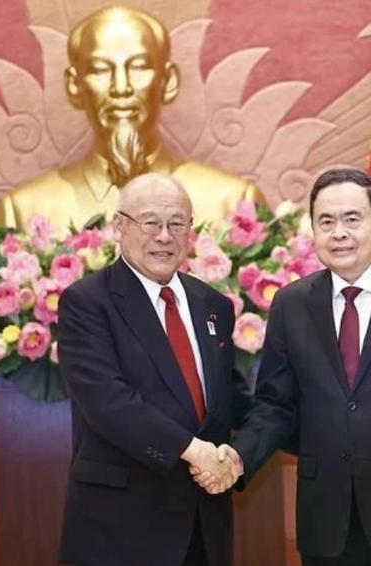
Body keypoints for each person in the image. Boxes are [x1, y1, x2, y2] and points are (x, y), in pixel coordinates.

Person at [198, 168, 371, 565]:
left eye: (351, 219)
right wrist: (240, 458)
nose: (338, 232)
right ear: (313, 231)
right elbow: (275, 404)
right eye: (326, 222)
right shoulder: (291, 304)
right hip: (325, 521)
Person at [57, 172, 247, 566]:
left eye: (177, 223)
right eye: (150, 222)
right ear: (118, 227)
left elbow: (230, 398)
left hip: (203, 527)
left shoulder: (213, 305)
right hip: (120, 529)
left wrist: (242, 453)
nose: (164, 236)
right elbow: (108, 402)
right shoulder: (87, 303)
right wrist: (195, 451)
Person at [0, 6, 262, 234]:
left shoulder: (234, 204)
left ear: (167, 82)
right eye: (99, 70)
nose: (120, 88)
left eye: (138, 68)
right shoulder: (21, 212)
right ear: (74, 85)